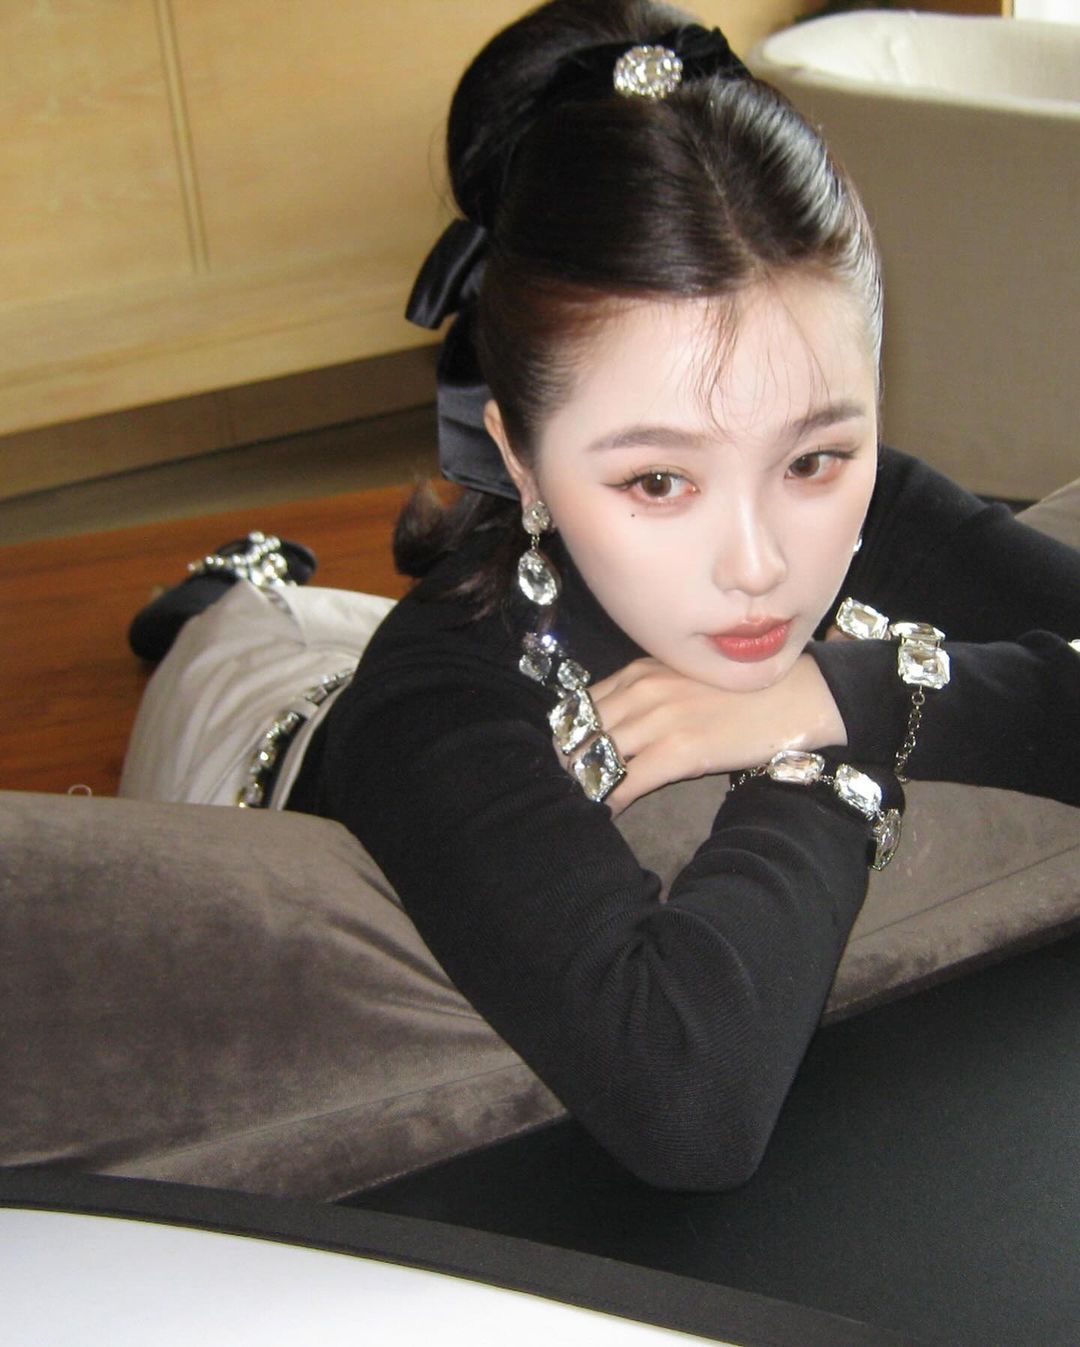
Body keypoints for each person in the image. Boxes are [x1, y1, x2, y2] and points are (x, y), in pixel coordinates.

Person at [119, 0, 1079, 1191]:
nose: (758, 564)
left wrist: (838, 694)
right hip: (257, 723)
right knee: (244, 631)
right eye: (659, 480)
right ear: (517, 457)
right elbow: (689, 1098)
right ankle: (230, 585)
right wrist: (818, 771)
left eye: (815, 458)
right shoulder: (432, 699)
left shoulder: (869, 500)